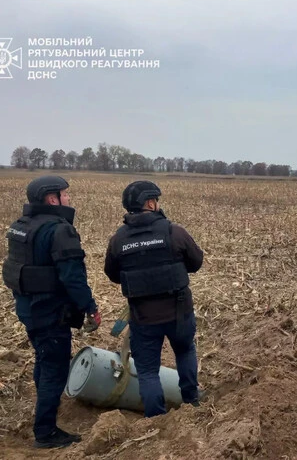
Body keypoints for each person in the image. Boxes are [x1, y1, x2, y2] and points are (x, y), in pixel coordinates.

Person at [2, 175, 101, 449]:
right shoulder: (59, 230)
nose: (68, 198)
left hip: (28, 309)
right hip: (50, 312)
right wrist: (90, 307)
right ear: (52, 198)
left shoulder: (21, 226)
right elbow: (72, 277)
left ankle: (45, 413)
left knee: (44, 360)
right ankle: (45, 431)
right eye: (65, 194)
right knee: (55, 369)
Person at [103, 180, 204, 418]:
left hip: (143, 317)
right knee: (185, 351)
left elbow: (112, 274)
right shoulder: (174, 232)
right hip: (179, 312)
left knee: (148, 371)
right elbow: (196, 262)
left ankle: (155, 420)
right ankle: (192, 402)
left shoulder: (118, 240)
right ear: (150, 203)